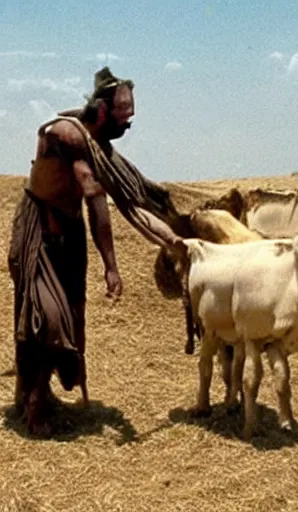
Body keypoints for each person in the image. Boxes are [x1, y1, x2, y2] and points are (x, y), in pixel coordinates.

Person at [8, 67, 191, 436]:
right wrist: (111, 267)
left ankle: (31, 391)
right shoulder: (69, 138)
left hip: (68, 238)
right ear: (103, 111)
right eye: (124, 117)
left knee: (71, 318)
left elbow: (133, 198)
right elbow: (96, 200)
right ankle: (35, 406)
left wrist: (175, 240)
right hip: (38, 237)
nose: (128, 125)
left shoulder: (97, 146)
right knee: (47, 319)